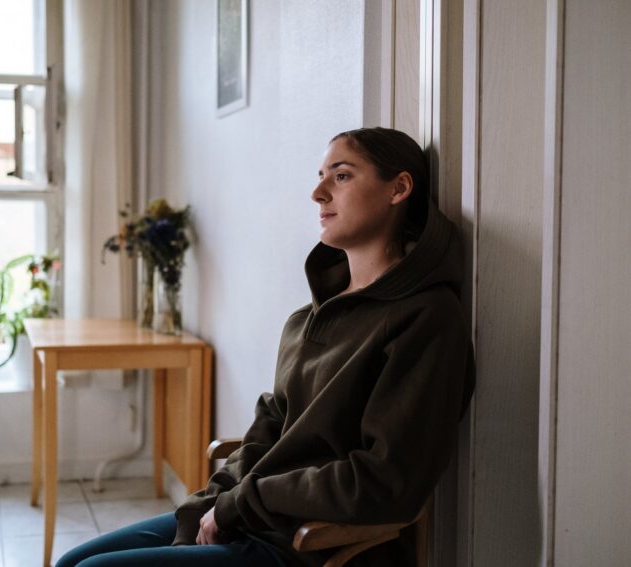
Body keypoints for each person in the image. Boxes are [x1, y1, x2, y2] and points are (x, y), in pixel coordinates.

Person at [56, 127, 476, 567]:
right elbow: (270, 426)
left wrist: (241, 504)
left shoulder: (428, 319)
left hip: (312, 546)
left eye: (342, 176)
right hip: (254, 517)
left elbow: (385, 480)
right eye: (320, 176)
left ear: (400, 188)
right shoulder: (306, 319)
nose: (318, 193)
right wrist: (216, 499)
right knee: (72, 562)